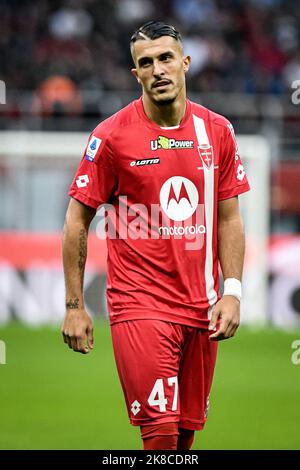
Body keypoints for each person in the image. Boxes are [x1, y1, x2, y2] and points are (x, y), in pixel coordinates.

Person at [61, 20, 250, 450]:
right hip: (139, 305)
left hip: (202, 308)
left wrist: (233, 291)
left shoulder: (217, 131)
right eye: (145, 63)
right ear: (136, 75)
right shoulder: (110, 137)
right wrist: (74, 305)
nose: (157, 69)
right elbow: (76, 220)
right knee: (160, 435)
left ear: (185, 63)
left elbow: (228, 218)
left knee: (183, 440)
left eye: (166, 58)